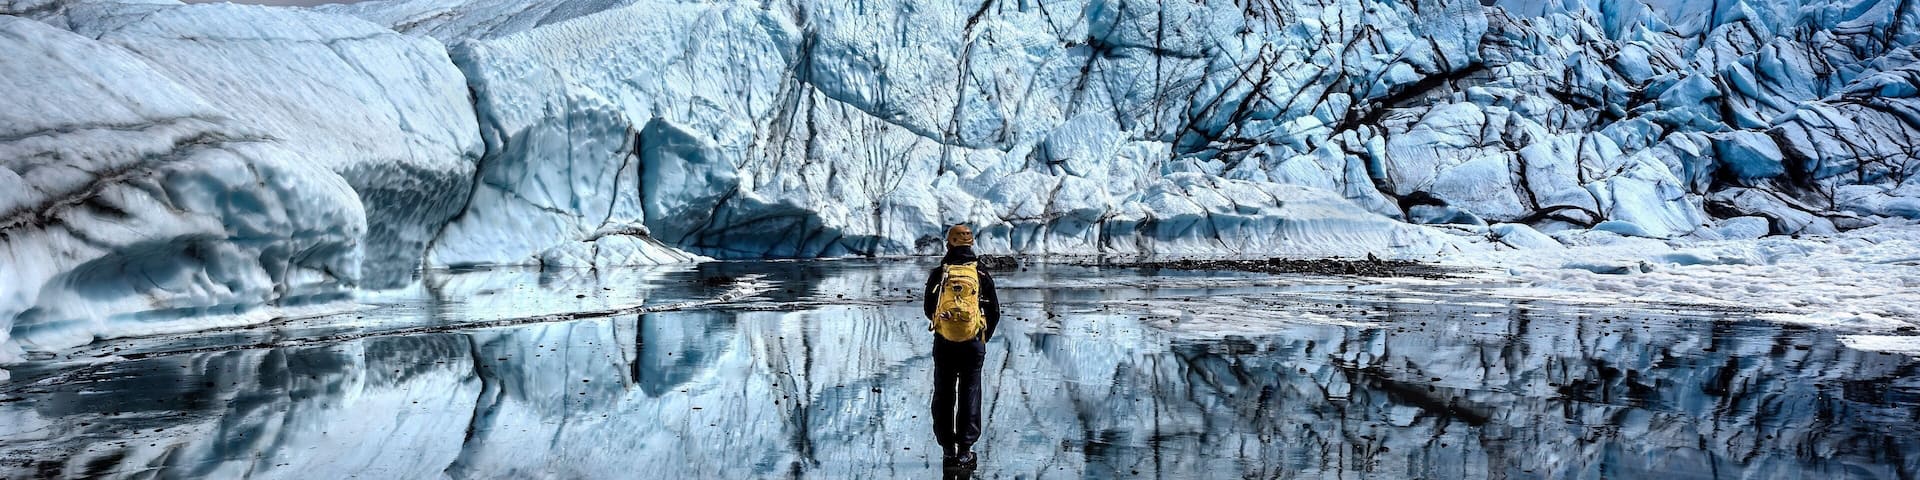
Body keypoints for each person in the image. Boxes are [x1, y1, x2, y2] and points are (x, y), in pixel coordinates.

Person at [923, 224, 1000, 470]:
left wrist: (946, 326)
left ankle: (948, 451)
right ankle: (965, 452)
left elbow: (928, 308)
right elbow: (994, 311)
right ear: (971, 243)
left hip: (944, 343)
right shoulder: (981, 273)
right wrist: (982, 334)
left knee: (944, 393)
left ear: (949, 243)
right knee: (970, 392)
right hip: (973, 343)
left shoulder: (940, 273)